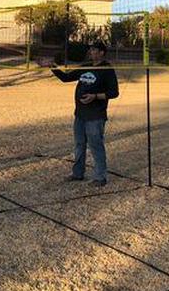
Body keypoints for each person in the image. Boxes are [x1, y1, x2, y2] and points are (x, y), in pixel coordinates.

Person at [39, 41, 119, 186]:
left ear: (102, 52)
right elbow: (66, 78)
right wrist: (52, 66)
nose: (92, 52)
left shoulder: (107, 69)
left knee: (96, 146)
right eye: (91, 50)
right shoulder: (86, 66)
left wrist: (95, 96)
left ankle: (100, 177)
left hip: (95, 115)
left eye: (95, 50)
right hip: (80, 114)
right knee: (79, 145)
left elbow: (114, 93)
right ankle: (78, 174)